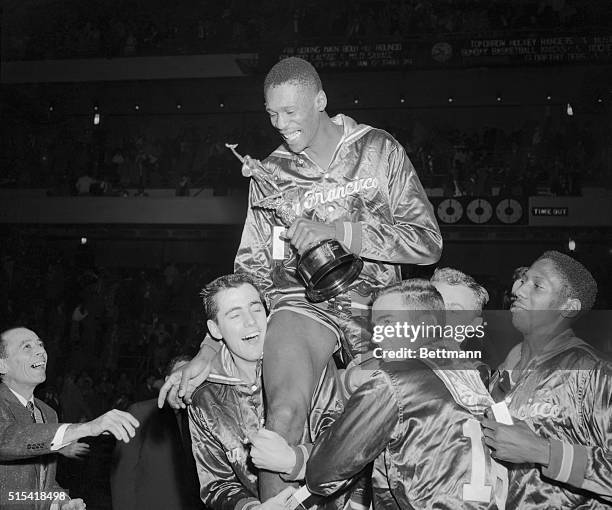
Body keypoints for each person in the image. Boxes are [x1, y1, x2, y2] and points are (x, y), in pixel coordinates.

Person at [160, 56, 442, 501]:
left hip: (379, 310)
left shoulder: (378, 149)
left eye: (291, 112)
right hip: (303, 303)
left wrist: (338, 232)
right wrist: (210, 346)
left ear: (321, 100)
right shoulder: (270, 172)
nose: (280, 124)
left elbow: (426, 242)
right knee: (285, 414)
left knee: (392, 446)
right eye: (272, 114)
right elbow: (251, 268)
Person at [304, 280, 508, 509]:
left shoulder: (394, 380)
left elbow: (323, 473)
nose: (376, 337)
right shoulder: (474, 376)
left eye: (388, 323)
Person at [483, 251, 612, 508]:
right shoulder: (499, 374)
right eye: (522, 280)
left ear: (568, 307)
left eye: (537, 285)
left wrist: (543, 451)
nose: (517, 290)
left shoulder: (593, 372)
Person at [188, 274, 307, 510]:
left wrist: (296, 460)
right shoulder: (204, 400)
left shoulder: (304, 367)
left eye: (256, 309)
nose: (250, 322)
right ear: (215, 329)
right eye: (235, 315)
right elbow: (218, 484)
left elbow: (345, 445)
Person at [0, 327, 139, 510]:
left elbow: (37, 481)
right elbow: (8, 439)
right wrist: (86, 428)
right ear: (2, 365)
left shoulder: (47, 412)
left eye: (40, 344)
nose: (41, 351)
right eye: (27, 347)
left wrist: (59, 502)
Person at [111, 355, 203, 510]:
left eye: (193, 375)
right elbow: (123, 476)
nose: (186, 380)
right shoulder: (141, 413)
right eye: (181, 374)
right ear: (168, 379)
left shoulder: (205, 418)